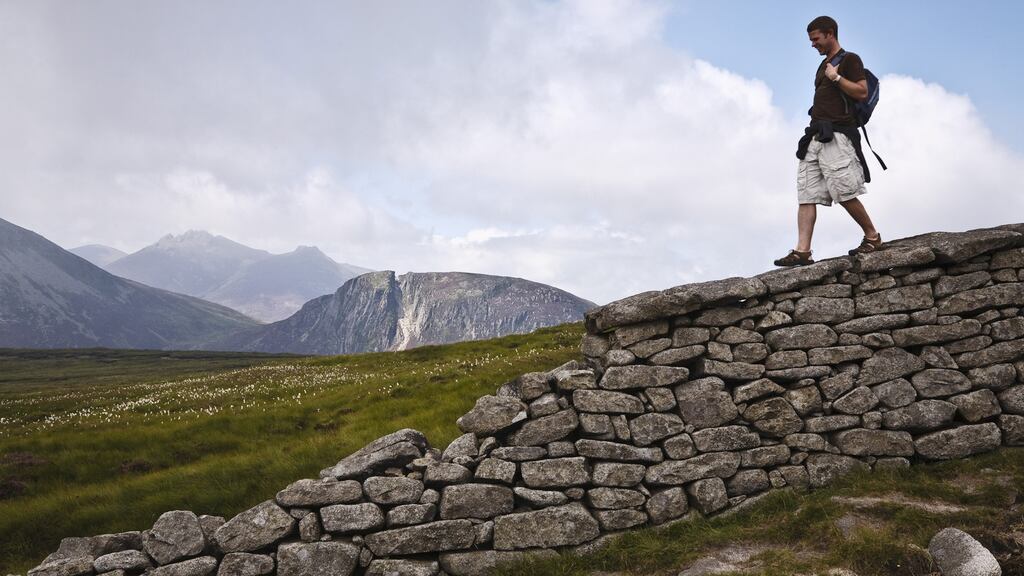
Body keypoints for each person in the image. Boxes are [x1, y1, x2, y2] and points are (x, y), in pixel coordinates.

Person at [774, 16, 882, 267]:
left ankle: (872, 237)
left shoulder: (850, 60)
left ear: (830, 34)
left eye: (816, 39)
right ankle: (803, 251)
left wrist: (836, 78)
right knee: (806, 194)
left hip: (837, 135)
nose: (813, 44)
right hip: (815, 136)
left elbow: (861, 91)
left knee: (844, 191)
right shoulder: (823, 64)